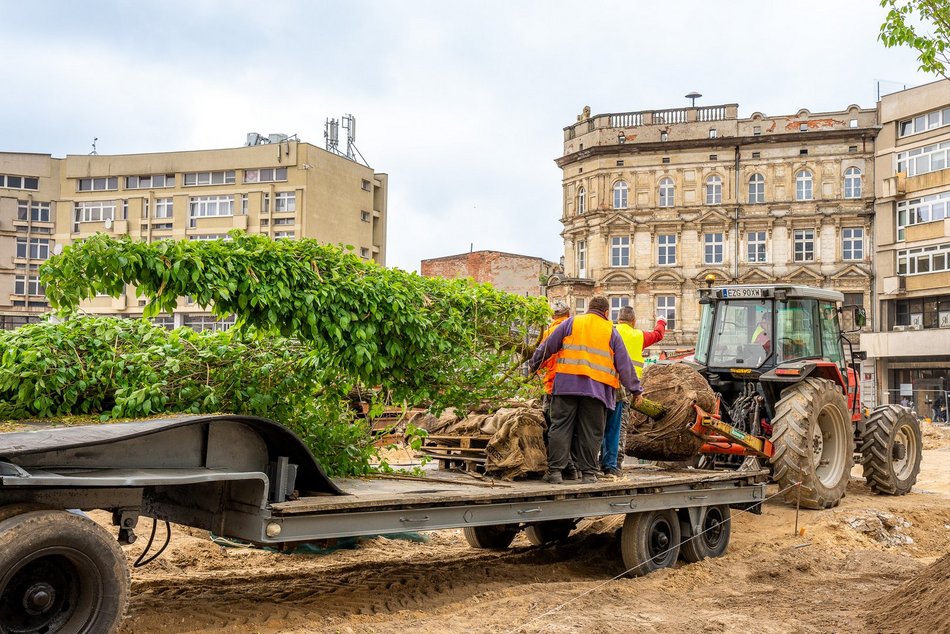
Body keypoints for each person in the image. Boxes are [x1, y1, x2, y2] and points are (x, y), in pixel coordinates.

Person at [529, 295, 642, 485]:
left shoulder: (572, 322)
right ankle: (588, 474)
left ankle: (555, 472)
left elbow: (547, 346)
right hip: (596, 391)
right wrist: (636, 390)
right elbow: (624, 364)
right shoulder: (610, 331)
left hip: (566, 386)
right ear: (606, 313)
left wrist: (533, 364)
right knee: (591, 431)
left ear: (588, 309)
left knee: (561, 427)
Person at [600, 306, 666, 476]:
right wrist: (661, 321)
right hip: (627, 388)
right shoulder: (638, 336)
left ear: (617, 319)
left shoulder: (609, 332)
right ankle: (613, 464)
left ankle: (599, 462)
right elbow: (658, 334)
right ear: (633, 321)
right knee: (619, 426)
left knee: (600, 423)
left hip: (603, 383)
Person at [537, 300, 578, 479]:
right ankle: (572, 467)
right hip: (575, 386)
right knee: (572, 427)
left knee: (555, 427)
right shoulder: (575, 331)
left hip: (553, 386)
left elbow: (540, 361)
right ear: (568, 314)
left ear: (552, 316)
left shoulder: (548, 333)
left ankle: (561, 467)